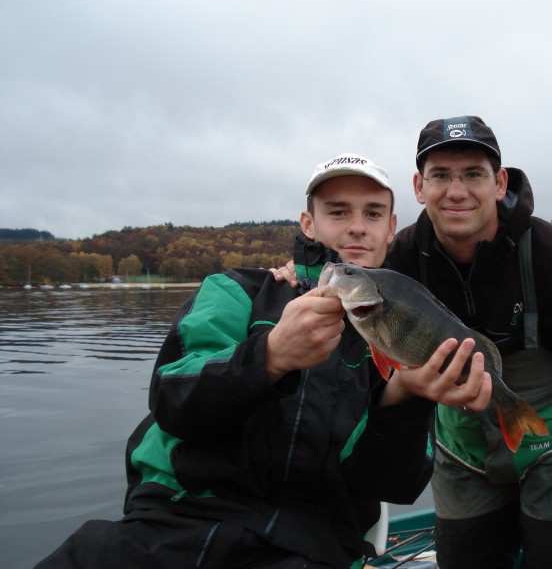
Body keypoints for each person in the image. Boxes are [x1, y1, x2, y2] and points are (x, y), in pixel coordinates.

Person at [35, 153, 491, 569]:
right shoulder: (236, 292)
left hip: (310, 545)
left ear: (391, 228)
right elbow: (172, 399)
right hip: (173, 524)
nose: (357, 227)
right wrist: (268, 356)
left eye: (372, 214)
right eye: (337, 212)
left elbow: (392, 483)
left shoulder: (392, 338)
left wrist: (405, 399)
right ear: (308, 223)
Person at [384, 116, 552, 569]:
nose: (456, 191)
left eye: (473, 174)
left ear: (499, 183)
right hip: (462, 446)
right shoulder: (400, 259)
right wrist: (293, 273)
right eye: (440, 175)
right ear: (419, 187)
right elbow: (342, 269)